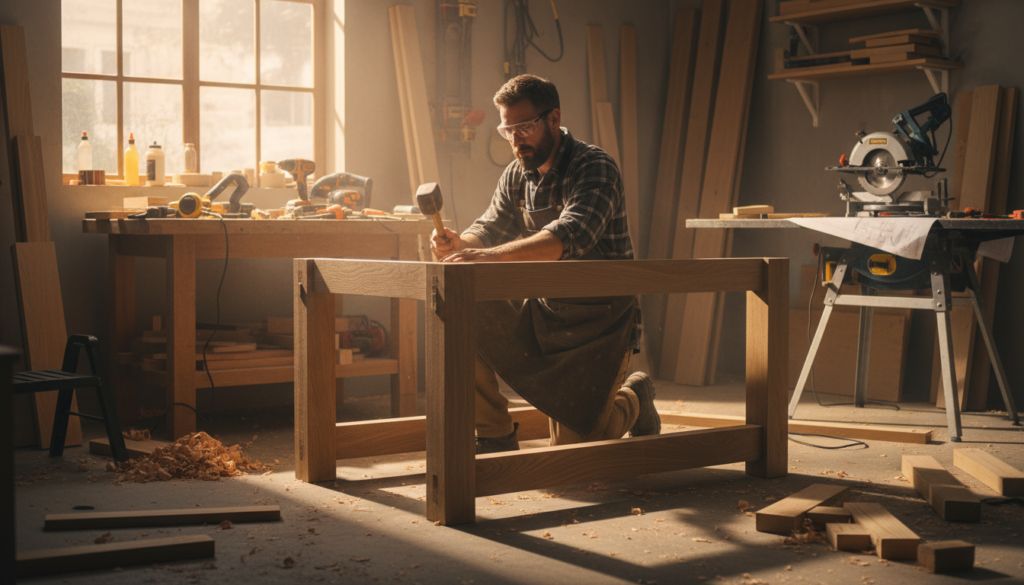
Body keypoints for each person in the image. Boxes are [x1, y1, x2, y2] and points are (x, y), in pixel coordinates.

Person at [429, 74, 659, 453]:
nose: (516, 139)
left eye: (525, 127)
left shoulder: (594, 166)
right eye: (508, 130)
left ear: (553, 118)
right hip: (545, 312)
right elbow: (489, 226)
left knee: (577, 452)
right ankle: (494, 434)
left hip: (600, 322)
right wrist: (461, 244)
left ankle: (634, 397)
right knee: (456, 301)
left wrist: (484, 257)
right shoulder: (517, 174)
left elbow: (570, 235)